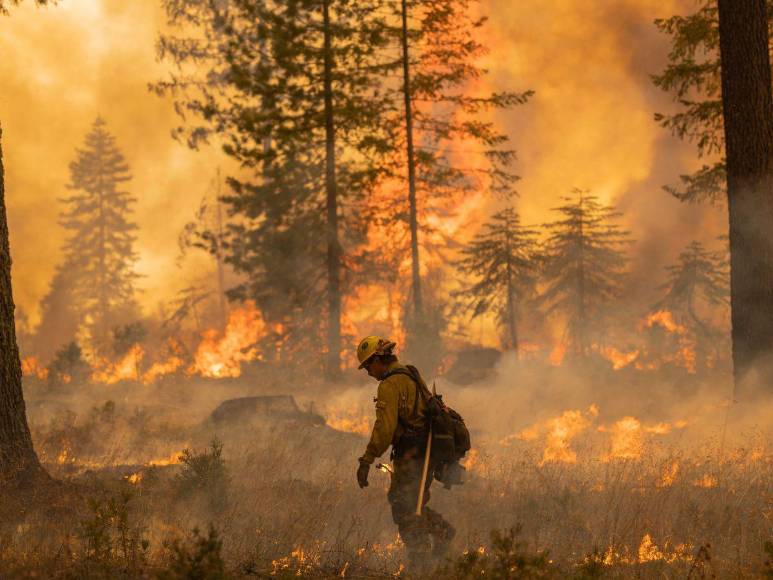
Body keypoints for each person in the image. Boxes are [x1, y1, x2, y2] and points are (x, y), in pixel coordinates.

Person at [355, 335, 455, 569]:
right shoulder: (410, 373)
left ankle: (419, 561)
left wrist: (366, 460)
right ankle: (442, 532)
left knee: (404, 507)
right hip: (426, 452)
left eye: (368, 366)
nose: (368, 372)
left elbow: (384, 429)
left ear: (379, 359)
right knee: (413, 503)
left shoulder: (390, 384)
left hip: (412, 454)